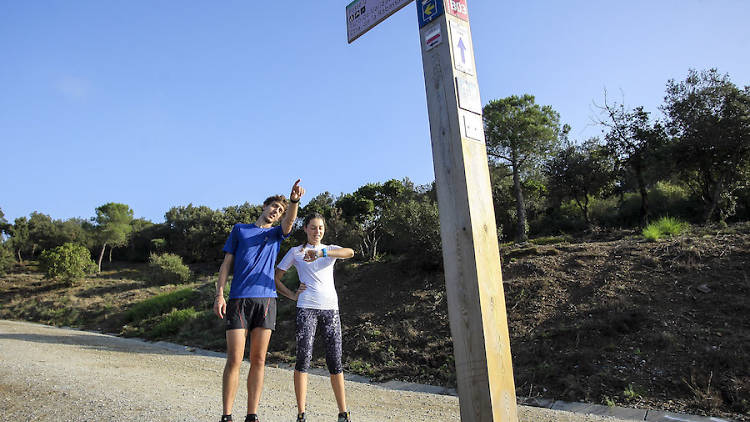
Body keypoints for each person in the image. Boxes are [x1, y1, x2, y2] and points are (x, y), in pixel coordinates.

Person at [213, 179, 305, 422]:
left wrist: (293, 201)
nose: (276, 211)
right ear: (264, 207)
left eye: (280, 210)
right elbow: (226, 265)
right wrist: (220, 294)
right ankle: (226, 415)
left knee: (259, 359)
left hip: (266, 301)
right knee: (234, 358)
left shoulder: (276, 234)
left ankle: (251, 415)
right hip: (238, 300)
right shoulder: (240, 230)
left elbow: (289, 224)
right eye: (274, 206)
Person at [275, 213, 355, 422]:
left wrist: (322, 253)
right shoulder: (296, 252)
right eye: (312, 227)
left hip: (331, 309)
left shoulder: (330, 250)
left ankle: (343, 413)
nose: (317, 231)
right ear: (305, 229)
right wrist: (292, 294)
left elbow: (350, 252)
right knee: (303, 359)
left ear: (324, 230)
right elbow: (276, 277)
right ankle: (301, 414)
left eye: (320, 228)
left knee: (335, 360)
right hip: (306, 308)